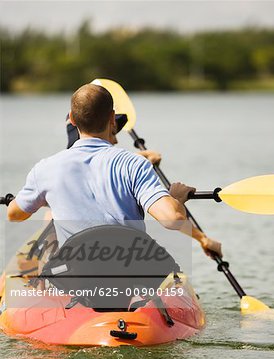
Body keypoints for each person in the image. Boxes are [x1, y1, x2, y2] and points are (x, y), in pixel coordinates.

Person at [7, 84, 222, 260]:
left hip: (74, 277)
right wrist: (176, 198)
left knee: (50, 217)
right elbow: (172, 218)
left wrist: (20, 200)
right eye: (115, 129)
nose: (117, 137)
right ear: (111, 118)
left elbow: (14, 215)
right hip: (127, 276)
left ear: (72, 119)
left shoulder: (45, 169)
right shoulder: (134, 164)